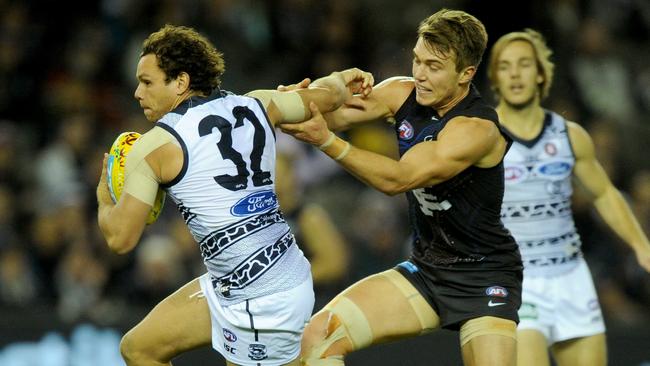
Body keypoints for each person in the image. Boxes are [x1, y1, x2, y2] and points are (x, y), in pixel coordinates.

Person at [95, 24, 373, 366]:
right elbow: (329, 96)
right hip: (247, 281)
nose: (137, 92)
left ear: (180, 82)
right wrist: (341, 77)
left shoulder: (155, 145)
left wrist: (105, 197)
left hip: (262, 301)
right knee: (139, 348)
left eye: (147, 82)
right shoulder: (259, 102)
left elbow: (120, 239)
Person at [278, 9, 523, 366]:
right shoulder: (402, 92)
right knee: (319, 337)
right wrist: (305, 97)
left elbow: (398, 179)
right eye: (417, 61)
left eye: (434, 67)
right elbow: (327, 114)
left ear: (466, 74)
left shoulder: (476, 129)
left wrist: (327, 141)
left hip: (484, 276)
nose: (420, 75)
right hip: (427, 271)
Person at [486, 29, 650, 366]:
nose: (515, 73)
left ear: (541, 74)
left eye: (524, 64)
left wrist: (641, 245)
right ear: (494, 78)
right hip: (514, 279)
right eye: (505, 66)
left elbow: (604, 193)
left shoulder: (569, 135)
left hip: (571, 275)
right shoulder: (481, 135)